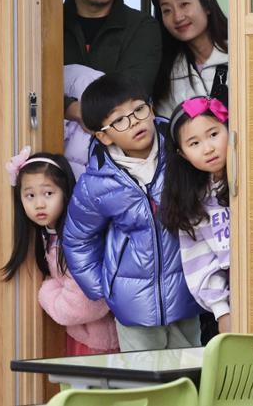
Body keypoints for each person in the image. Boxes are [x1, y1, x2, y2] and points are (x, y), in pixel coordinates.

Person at [62, 73, 204, 351]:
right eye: (119, 120)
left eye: (139, 109)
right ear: (102, 136)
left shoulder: (182, 153)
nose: (134, 122)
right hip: (132, 305)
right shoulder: (96, 183)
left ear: (151, 108)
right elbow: (78, 239)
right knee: (145, 381)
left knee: (190, 375)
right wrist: (105, 289)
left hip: (187, 290)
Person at [1, 146, 119, 356]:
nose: (39, 204)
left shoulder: (76, 239)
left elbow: (87, 303)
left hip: (99, 342)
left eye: (48, 193)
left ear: (66, 192)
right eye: (30, 195)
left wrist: (48, 293)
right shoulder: (50, 235)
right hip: (85, 336)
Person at [63, 0, 161, 129]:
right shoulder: (46, 27)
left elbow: (129, 97)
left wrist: (73, 108)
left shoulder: (143, 28)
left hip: (119, 154)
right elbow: (32, 86)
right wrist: (70, 107)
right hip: (52, 147)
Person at [161, 97, 232, 340]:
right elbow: (200, 262)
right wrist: (222, 312)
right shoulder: (193, 202)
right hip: (235, 295)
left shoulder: (252, 177)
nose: (208, 148)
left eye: (213, 134)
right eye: (194, 143)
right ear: (182, 154)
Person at [150, 0, 229, 118]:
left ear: (207, 5)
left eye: (184, 4)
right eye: (167, 10)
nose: (178, 17)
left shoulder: (240, 52)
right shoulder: (167, 72)